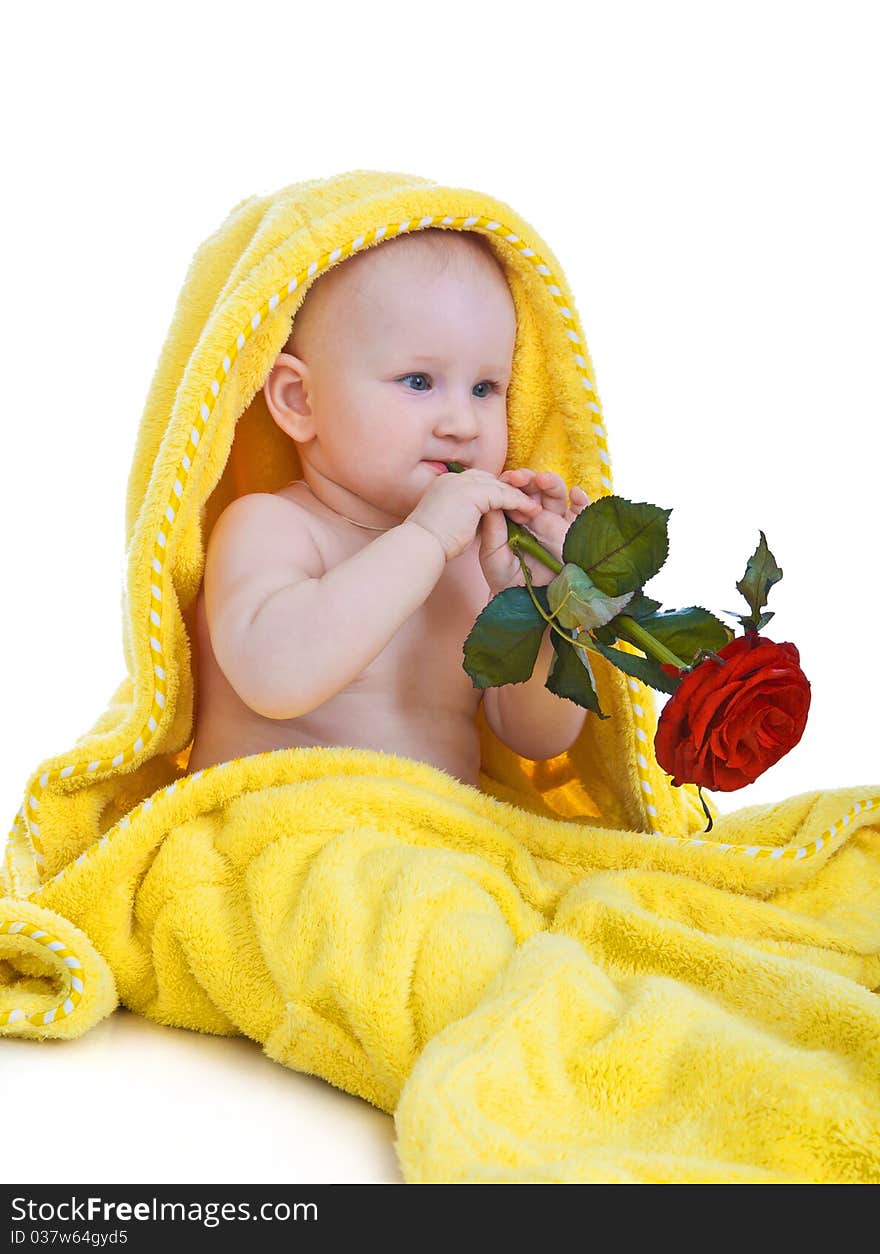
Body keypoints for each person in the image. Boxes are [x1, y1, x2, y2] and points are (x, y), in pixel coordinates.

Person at [186, 227, 591, 782]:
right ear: (300, 400)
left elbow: (537, 738)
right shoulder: (272, 527)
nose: (462, 425)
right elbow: (276, 678)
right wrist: (423, 539)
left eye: (485, 388)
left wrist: (544, 609)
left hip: (438, 842)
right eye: (419, 381)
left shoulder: (478, 569)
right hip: (291, 830)